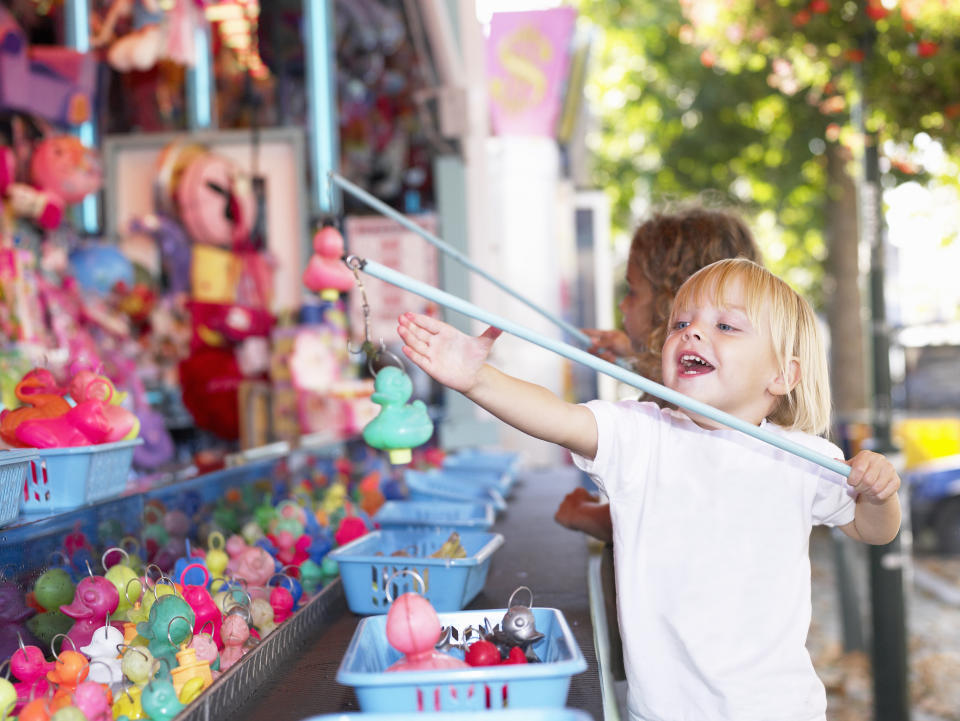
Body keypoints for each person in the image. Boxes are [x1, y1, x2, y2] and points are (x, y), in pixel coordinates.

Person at [396, 258, 901, 721]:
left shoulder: (804, 458)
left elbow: (871, 530)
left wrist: (881, 496)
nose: (694, 334)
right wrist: (476, 379)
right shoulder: (642, 434)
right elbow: (557, 417)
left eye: (725, 326)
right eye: (682, 324)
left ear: (781, 375)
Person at [557, 205, 764, 542]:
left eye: (633, 291)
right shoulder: (739, 397)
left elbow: (660, 521)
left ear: (669, 302)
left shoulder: (684, 411)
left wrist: (582, 516)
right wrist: (636, 354)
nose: (623, 306)